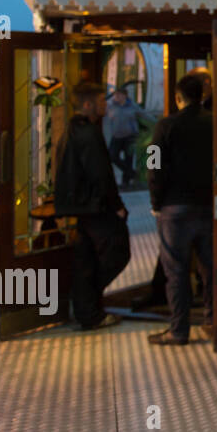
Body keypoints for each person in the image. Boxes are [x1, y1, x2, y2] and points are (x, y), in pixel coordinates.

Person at [54, 81, 130, 331]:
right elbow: (101, 173)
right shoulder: (89, 133)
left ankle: (88, 310)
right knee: (117, 252)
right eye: (100, 101)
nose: (105, 105)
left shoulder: (70, 131)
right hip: (95, 206)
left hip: (78, 207)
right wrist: (116, 205)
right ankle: (86, 303)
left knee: (86, 258)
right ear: (88, 104)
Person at [147, 73, 214, 346]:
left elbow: (154, 165)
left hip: (174, 209)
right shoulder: (214, 123)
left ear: (178, 98)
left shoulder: (165, 126)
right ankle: (214, 321)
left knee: (176, 270)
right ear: (203, 95)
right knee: (211, 268)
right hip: (209, 206)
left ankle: (179, 330)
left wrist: (155, 203)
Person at [104, 87, 140, 189]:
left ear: (125, 96)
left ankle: (126, 182)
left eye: (119, 95)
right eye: (115, 95)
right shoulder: (110, 106)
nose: (116, 97)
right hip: (117, 136)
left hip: (130, 136)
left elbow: (143, 114)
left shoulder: (132, 106)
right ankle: (132, 173)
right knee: (112, 156)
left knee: (128, 158)